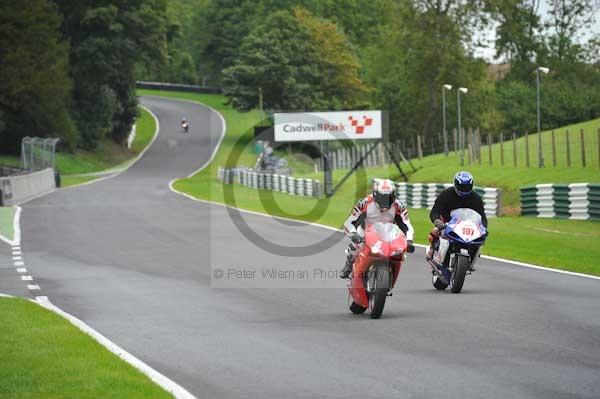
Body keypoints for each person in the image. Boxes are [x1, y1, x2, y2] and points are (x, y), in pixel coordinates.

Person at [340, 178, 415, 279]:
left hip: (388, 234)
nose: (385, 202)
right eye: (382, 198)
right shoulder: (364, 203)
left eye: (389, 198)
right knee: (357, 246)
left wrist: (409, 240)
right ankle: (349, 264)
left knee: (400, 254)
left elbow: (406, 224)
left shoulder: (398, 206)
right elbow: (349, 221)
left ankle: (391, 274)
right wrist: (354, 234)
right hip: (366, 232)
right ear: (375, 195)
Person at [427, 171, 488, 267]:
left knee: (480, 241)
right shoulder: (446, 194)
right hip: (448, 222)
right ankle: (432, 250)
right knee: (435, 232)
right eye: (462, 187)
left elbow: (482, 216)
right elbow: (435, 211)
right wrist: (437, 221)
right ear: (455, 184)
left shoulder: (476, 198)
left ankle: (471, 260)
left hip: (468, 225)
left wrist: (484, 227)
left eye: (467, 187)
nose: (464, 190)